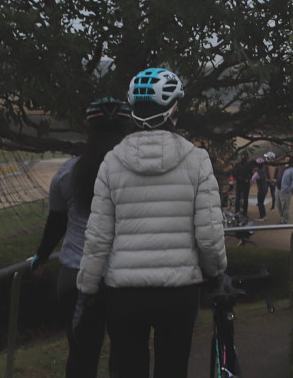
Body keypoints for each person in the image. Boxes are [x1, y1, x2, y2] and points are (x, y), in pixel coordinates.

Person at [77, 67, 228, 378]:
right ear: (174, 112)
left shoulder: (112, 161)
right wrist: (216, 273)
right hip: (178, 291)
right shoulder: (196, 160)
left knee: (127, 368)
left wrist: (88, 288)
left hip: (124, 292)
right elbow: (210, 235)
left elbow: (97, 237)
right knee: (172, 369)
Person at [32, 98, 133, 378]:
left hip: (75, 273)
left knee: (81, 356)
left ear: (89, 129)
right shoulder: (134, 172)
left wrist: (40, 256)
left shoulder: (68, 172)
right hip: (124, 276)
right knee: (125, 355)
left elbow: (56, 223)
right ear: (127, 129)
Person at [231, 153, 254, 220]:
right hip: (239, 183)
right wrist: (238, 178)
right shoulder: (237, 165)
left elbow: (252, 174)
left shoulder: (249, 165)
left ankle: (244, 212)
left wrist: (248, 178)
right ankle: (237, 212)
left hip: (246, 184)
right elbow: (233, 173)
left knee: (245, 199)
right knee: (238, 198)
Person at [277, 155, 293, 224]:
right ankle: (282, 217)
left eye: (288, 160)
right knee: (278, 205)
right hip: (279, 189)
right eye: (285, 160)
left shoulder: (292, 169)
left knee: (285, 206)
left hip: (286, 191)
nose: (286, 161)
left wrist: (290, 189)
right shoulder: (282, 168)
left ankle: (284, 220)